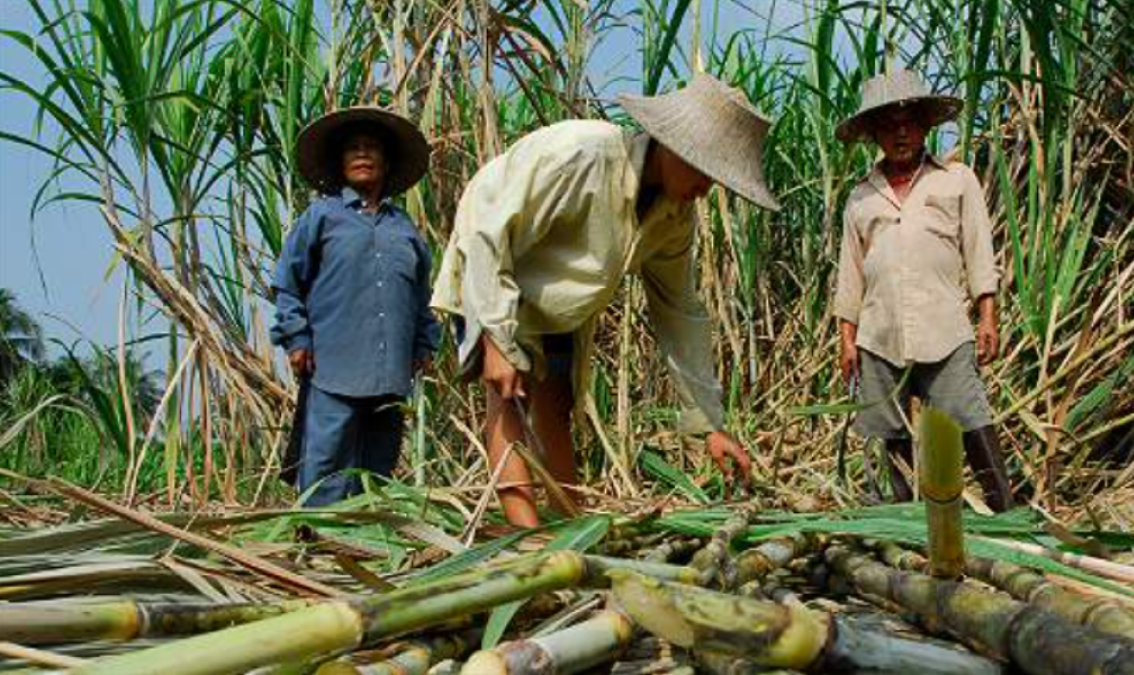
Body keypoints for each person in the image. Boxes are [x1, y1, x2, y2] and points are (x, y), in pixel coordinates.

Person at [432, 74, 780, 527]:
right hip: (491, 271)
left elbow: (680, 313)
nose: (705, 189)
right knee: (507, 396)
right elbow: (487, 230)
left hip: (560, 303)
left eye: (716, 180)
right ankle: (525, 540)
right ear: (672, 146)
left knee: (555, 402)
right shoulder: (581, 155)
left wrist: (709, 424)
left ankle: (569, 522)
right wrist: (495, 337)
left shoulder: (674, 217)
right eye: (703, 171)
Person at [833, 69, 1016, 512]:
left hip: (944, 327)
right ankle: (904, 522)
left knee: (971, 418)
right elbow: (851, 272)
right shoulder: (860, 197)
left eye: (909, 122)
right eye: (889, 125)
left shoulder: (955, 180)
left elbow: (977, 249)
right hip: (879, 334)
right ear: (874, 132)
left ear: (925, 126)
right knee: (888, 434)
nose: (900, 132)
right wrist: (846, 338)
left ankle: (1008, 514)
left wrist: (988, 315)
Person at [272, 107, 440, 506]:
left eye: (371, 148)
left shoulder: (405, 230)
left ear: (386, 161)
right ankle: (317, 540)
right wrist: (297, 338)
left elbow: (422, 297)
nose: (362, 154)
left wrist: (424, 345)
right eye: (353, 149)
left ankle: (367, 539)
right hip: (333, 364)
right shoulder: (322, 217)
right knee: (327, 458)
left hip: (392, 369)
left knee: (378, 462)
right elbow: (287, 284)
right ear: (340, 161)